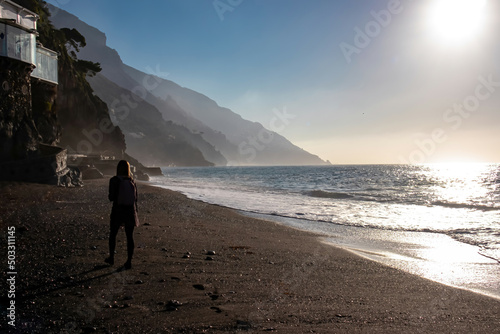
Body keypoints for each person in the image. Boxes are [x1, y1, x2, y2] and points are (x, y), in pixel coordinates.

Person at [105, 160, 139, 270]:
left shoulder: (114, 180)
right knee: (129, 237)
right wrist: (135, 213)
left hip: (118, 210)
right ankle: (129, 261)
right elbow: (135, 199)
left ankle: (111, 258)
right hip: (130, 211)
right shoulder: (132, 181)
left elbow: (111, 198)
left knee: (113, 234)